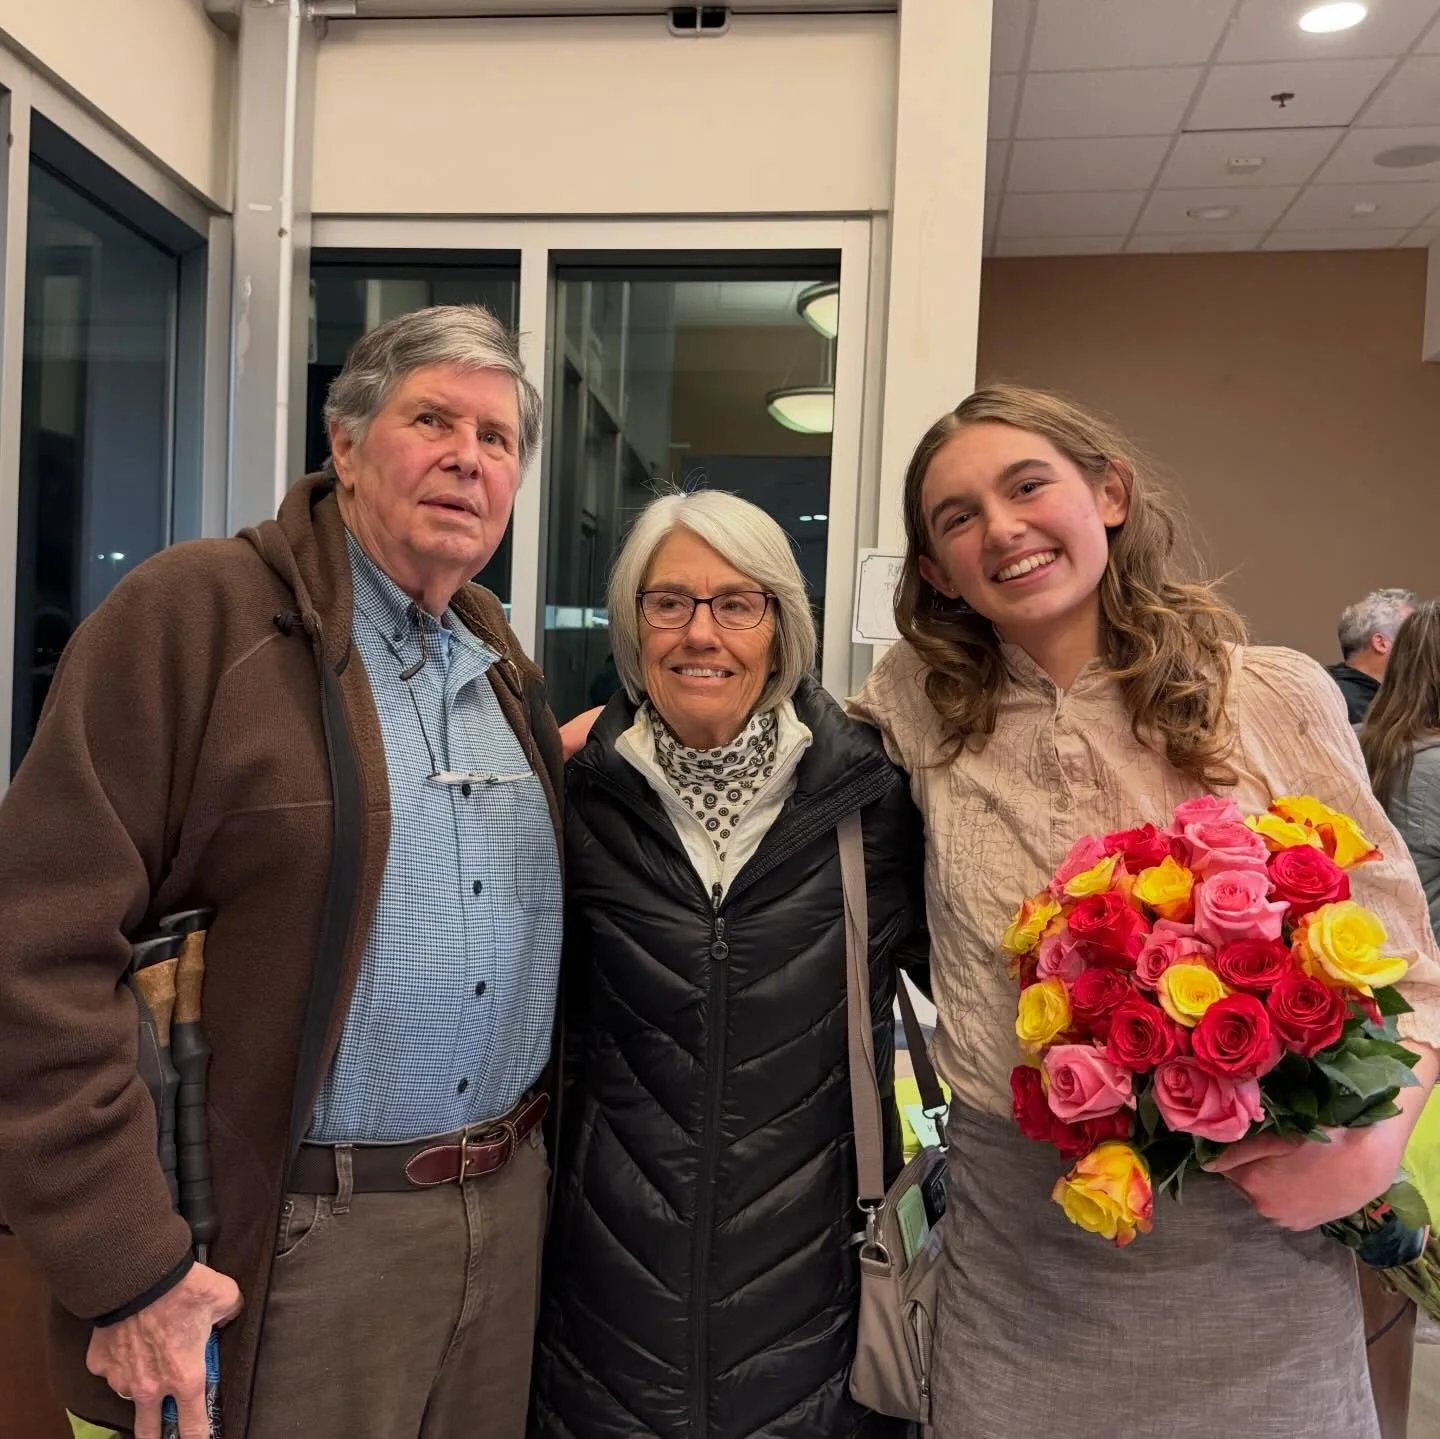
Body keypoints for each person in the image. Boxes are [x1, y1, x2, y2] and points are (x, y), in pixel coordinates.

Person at [0, 304, 565, 1439]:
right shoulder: (197, 617)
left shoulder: (503, 662)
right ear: (345, 444)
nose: (469, 456)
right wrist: (126, 1264)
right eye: (432, 419)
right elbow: (33, 954)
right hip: (289, 1246)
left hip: (502, 1225)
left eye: (498, 437)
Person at [849, 384, 1440, 1439]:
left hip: (1257, 1254)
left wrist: (1371, 1149)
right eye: (960, 516)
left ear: (1109, 493)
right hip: (1020, 1268)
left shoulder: (1271, 691)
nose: (1004, 527)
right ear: (936, 571)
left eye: (1028, 485)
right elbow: (784, 751)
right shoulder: (916, 698)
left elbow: (1405, 957)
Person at [530, 490, 927, 1439]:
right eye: (669, 603)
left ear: (780, 627)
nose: (700, 633)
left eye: (735, 603)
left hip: (821, 1311)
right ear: (634, 627)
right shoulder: (573, 797)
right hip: (601, 1314)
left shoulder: (871, 801)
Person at [1329, 588, 1416, 724]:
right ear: (1381, 643)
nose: (1425, 644)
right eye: (1416, 634)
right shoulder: (1341, 705)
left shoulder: (1398, 698)